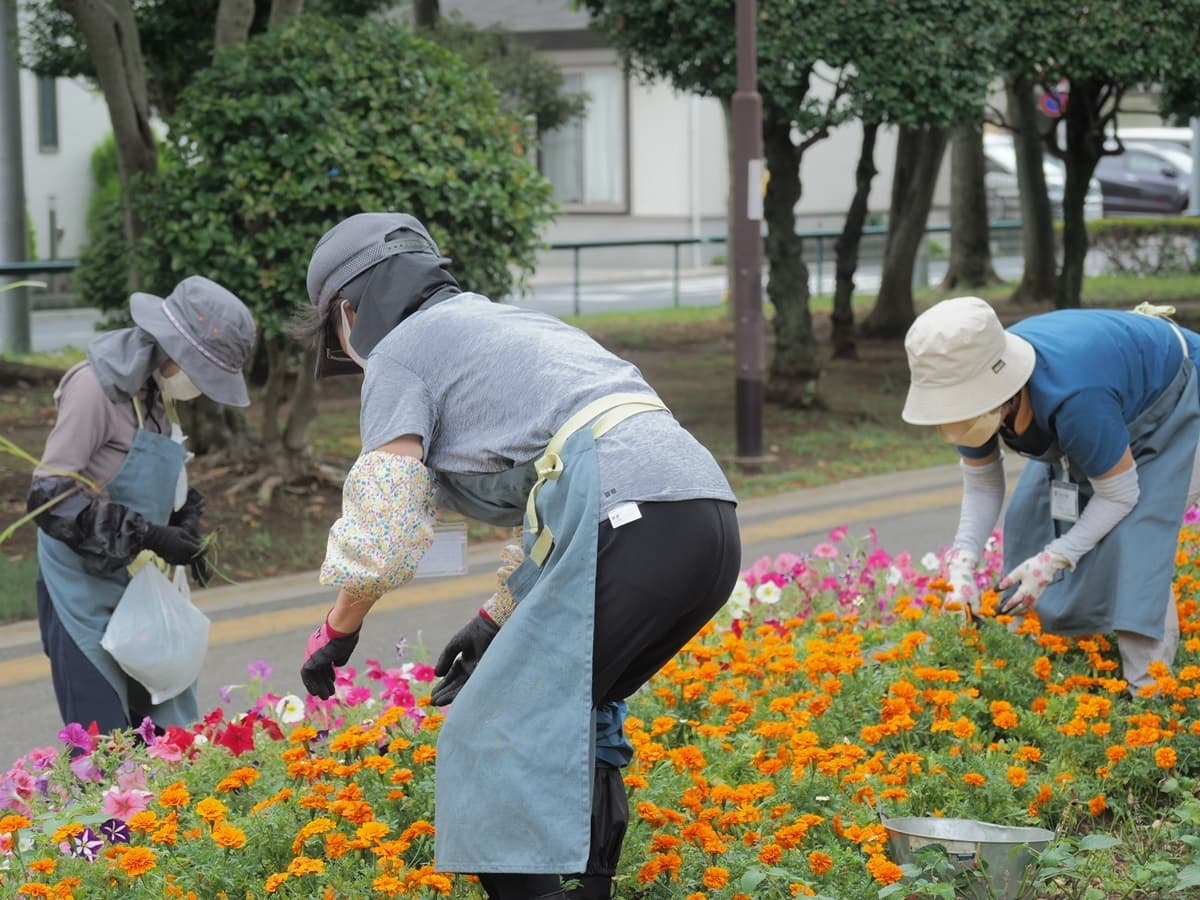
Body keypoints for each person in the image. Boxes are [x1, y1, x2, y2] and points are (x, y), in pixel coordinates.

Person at [296, 212, 741, 899]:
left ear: (350, 311)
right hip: (702, 518)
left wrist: (338, 629)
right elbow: (561, 487)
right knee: (582, 707)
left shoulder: (399, 353)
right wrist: (494, 620)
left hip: (629, 516)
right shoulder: (511, 325)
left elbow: (385, 524)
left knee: (486, 736)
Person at [902, 296, 1200, 694]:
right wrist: (963, 563)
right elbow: (983, 482)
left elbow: (1120, 494)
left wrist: (1057, 557)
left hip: (1179, 394)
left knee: (1135, 535)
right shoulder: (972, 392)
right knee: (1031, 514)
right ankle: (1047, 655)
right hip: (1112, 407)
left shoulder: (1076, 396)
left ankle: (1149, 694)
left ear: (1003, 393)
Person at [28, 276, 256, 734]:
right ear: (175, 352)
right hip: (80, 587)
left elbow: (155, 482)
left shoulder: (156, 394)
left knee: (168, 731)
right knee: (103, 740)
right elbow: (49, 497)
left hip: (138, 587)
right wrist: (150, 535)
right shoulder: (94, 388)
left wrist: (185, 525)